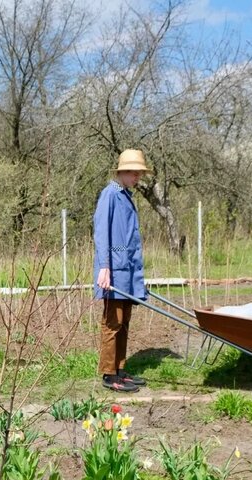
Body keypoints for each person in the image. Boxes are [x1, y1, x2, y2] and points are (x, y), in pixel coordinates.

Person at [93, 149, 150, 393]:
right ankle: (108, 374)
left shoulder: (126, 195)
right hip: (113, 271)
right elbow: (101, 232)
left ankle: (120, 370)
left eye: (139, 172)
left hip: (127, 271)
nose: (137, 176)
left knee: (124, 321)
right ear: (121, 172)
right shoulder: (110, 194)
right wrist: (104, 266)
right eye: (133, 172)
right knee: (112, 322)